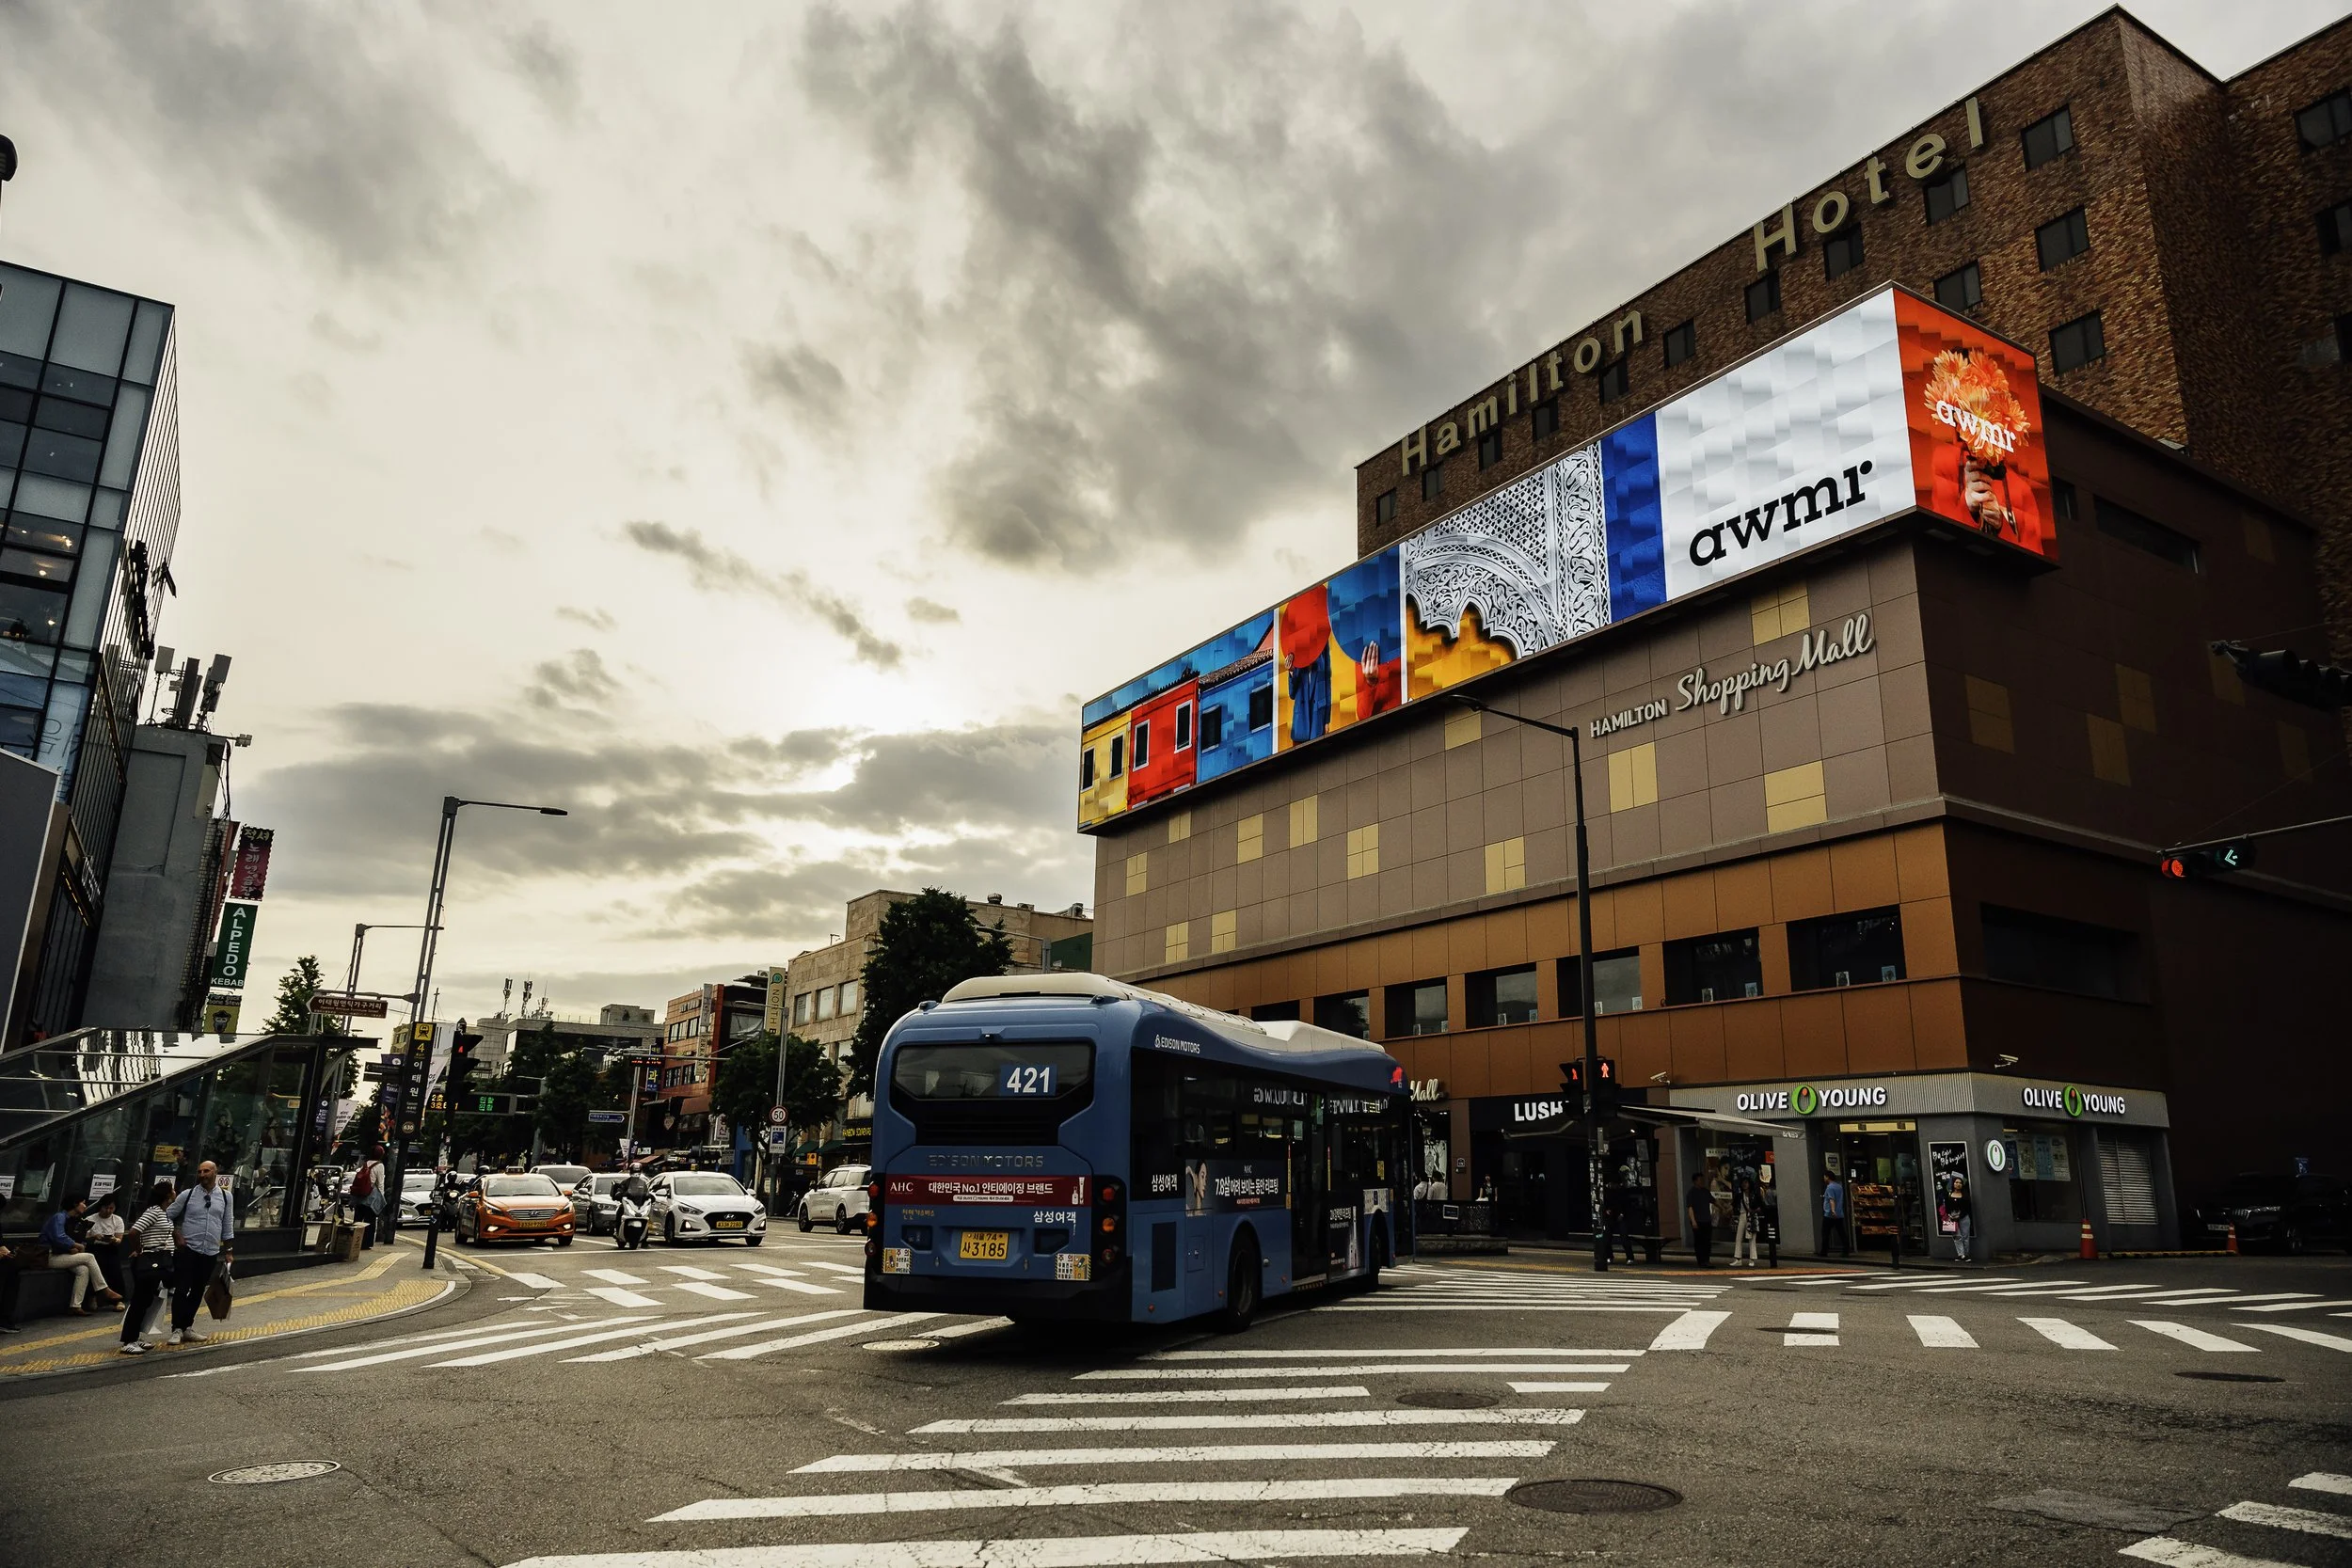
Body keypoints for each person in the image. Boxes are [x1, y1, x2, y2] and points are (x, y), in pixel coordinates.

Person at [166, 1162, 234, 1346]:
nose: (202, 1174)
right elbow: (166, 1216)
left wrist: (228, 1250)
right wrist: (176, 1233)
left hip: (210, 1250)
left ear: (215, 1172)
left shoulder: (226, 1197)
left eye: (206, 1171)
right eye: (200, 1171)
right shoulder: (187, 1195)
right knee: (182, 1289)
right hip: (189, 1249)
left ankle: (187, 1326)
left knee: (197, 1290)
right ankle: (176, 1329)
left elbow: (227, 1223)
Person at [119, 1181, 177, 1355]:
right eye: (172, 1190)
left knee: (146, 1301)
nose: (175, 1192)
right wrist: (139, 1250)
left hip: (159, 1261)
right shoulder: (153, 1212)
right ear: (167, 1195)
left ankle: (135, 1337)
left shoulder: (163, 1213)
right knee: (139, 1301)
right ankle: (128, 1340)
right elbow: (134, 1232)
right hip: (149, 1261)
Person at [41, 1196, 120, 1315]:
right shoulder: (59, 1217)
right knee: (89, 1257)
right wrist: (75, 1245)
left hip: (63, 1255)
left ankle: (75, 1306)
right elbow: (59, 1237)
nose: (85, 1206)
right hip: (49, 1256)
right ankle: (104, 1289)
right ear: (75, 1204)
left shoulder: (75, 1219)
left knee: (83, 1270)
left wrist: (73, 1247)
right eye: (83, 1203)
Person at [84, 1191, 130, 1301]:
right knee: (95, 1268)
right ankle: (92, 1297)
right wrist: (94, 1237)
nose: (108, 1211)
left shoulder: (117, 1220)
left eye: (111, 1208)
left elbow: (119, 1239)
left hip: (110, 1248)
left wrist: (113, 1239)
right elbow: (84, 1238)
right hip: (94, 1248)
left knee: (115, 1270)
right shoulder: (90, 1219)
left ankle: (119, 1299)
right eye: (106, 1208)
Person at [351, 1145, 388, 1249]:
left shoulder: (366, 1163)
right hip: (371, 1196)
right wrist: (381, 1198)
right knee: (370, 1221)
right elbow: (380, 1183)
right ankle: (366, 1243)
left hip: (360, 1195)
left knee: (357, 1219)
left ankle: (354, 1240)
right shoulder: (380, 1165)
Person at [1730, 1174, 1763, 1269]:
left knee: (1751, 1238)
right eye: (1743, 1183)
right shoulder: (1740, 1195)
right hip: (1742, 1215)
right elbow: (1733, 1205)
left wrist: (1755, 1210)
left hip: (1752, 1217)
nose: (1744, 1185)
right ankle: (1738, 1258)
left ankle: (1752, 1259)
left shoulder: (1755, 1195)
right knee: (1738, 1237)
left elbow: (1761, 1206)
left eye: (1746, 1183)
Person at [1684, 1174, 1714, 1268]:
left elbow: (1713, 1201)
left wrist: (1723, 1209)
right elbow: (1690, 1208)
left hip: (1707, 1220)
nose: (1702, 1182)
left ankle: (1707, 1260)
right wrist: (1693, 1221)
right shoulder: (1691, 1193)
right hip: (1698, 1220)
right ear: (1695, 1181)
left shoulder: (1706, 1191)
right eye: (1700, 1180)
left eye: (1702, 1180)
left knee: (1707, 1241)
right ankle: (1701, 1261)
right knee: (1699, 1242)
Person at [1820, 1170, 1849, 1258]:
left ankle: (1824, 1251)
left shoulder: (1830, 1187)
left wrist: (1832, 1210)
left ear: (1828, 1177)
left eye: (1825, 1176)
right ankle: (1846, 1250)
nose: (1824, 1178)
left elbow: (1831, 1199)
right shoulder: (1839, 1187)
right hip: (1840, 1213)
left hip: (1829, 1214)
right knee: (1841, 1232)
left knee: (1825, 1233)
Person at [1951, 1178, 1974, 1264]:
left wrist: (1959, 1215)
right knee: (1957, 1237)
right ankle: (1961, 1254)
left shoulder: (1965, 1195)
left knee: (1965, 1236)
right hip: (1952, 1217)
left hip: (1964, 1217)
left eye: (1960, 1183)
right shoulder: (1950, 1194)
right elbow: (1946, 1207)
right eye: (1956, 1182)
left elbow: (1967, 1208)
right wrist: (1950, 1215)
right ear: (1953, 1184)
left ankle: (1966, 1254)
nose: (1958, 1184)